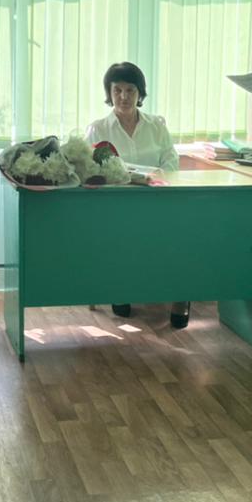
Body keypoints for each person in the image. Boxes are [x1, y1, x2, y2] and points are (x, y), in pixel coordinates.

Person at [85, 61, 189, 328]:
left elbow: (171, 161)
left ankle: (181, 297)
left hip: (157, 200)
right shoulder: (98, 129)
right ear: (109, 93)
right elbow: (88, 170)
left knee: (183, 232)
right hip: (116, 205)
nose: (124, 96)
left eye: (130, 90)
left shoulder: (157, 125)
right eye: (117, 90)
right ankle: (121, 288)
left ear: (140, 93)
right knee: (120, 234)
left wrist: (155, 179)